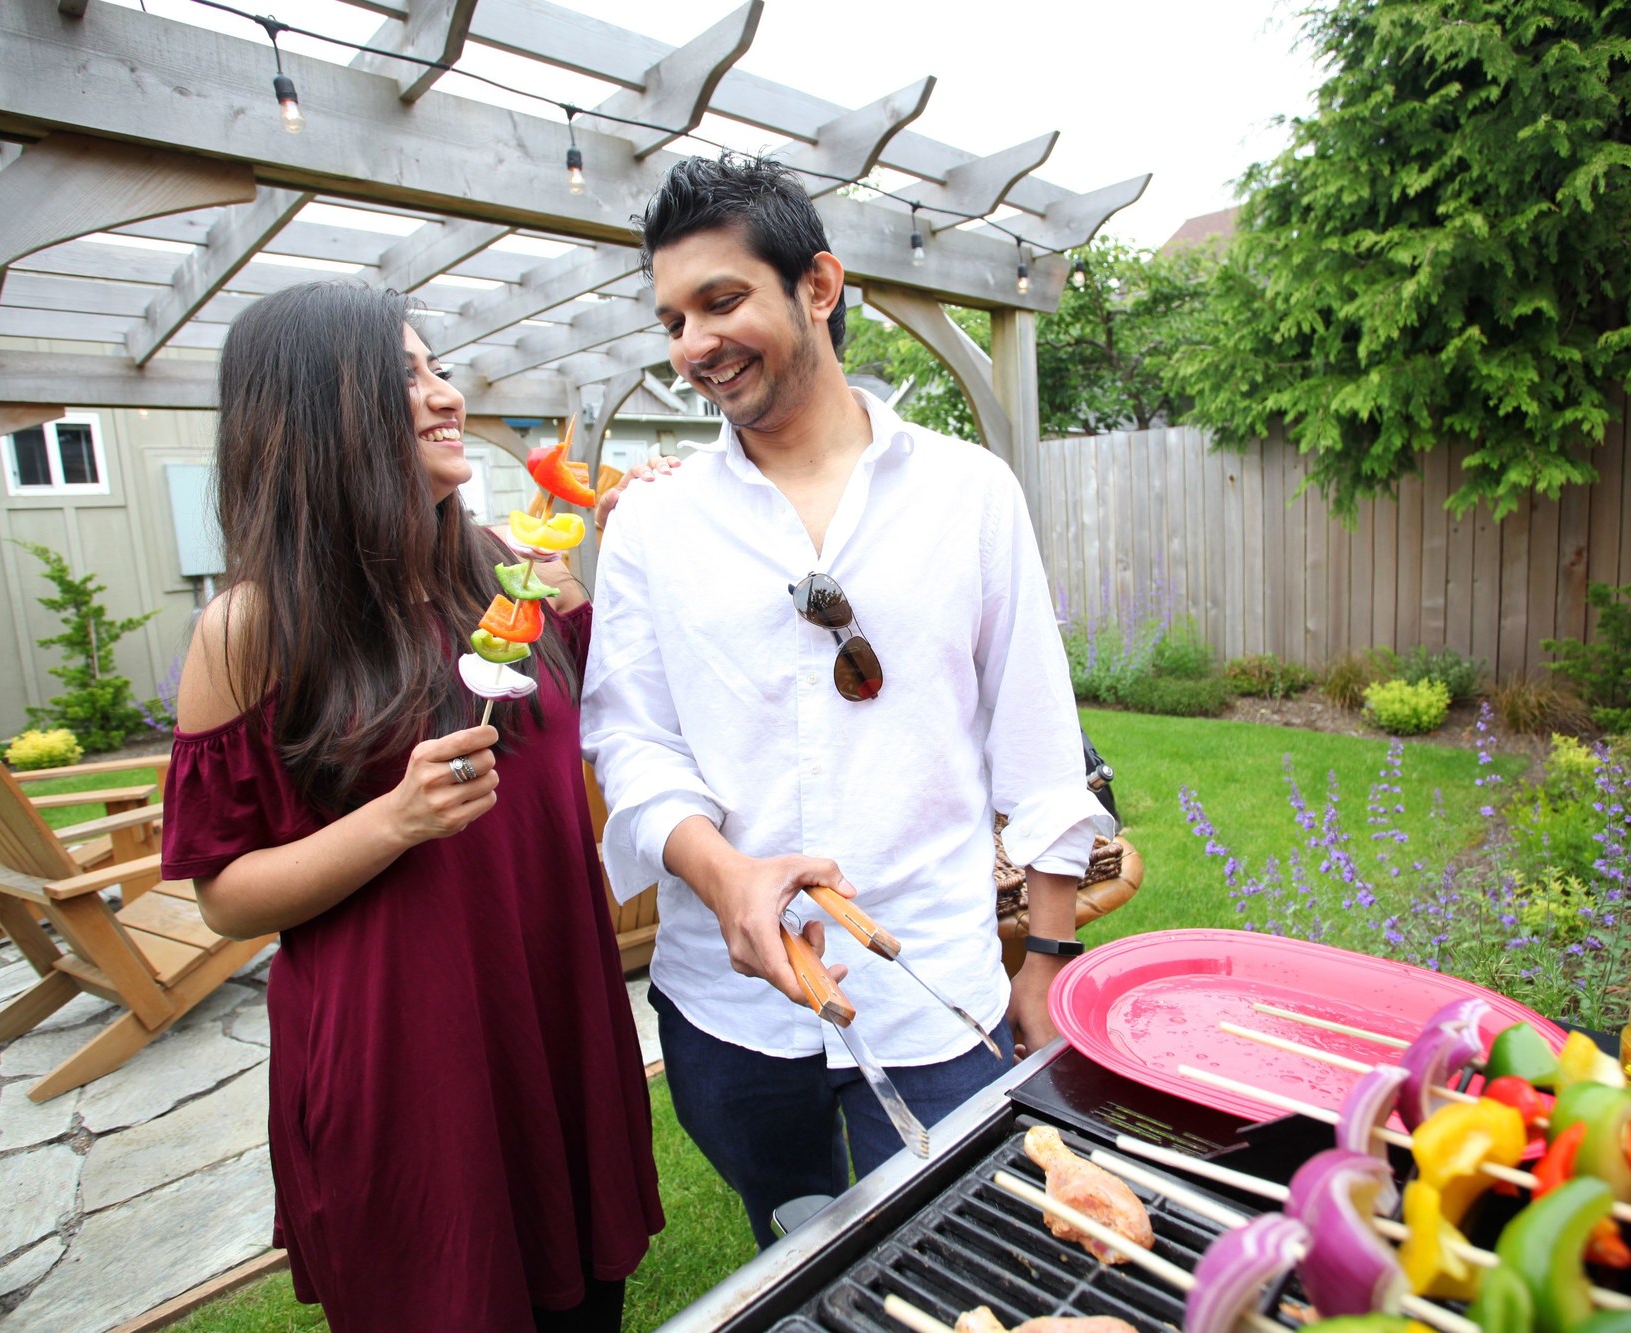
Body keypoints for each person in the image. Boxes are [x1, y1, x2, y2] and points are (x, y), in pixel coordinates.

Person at [581, 153, 1110, 1247]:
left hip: (932, 991)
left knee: (961, 1257)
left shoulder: (969, 493)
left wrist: (1047, 960)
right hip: (727, 1014)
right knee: (794, 1244)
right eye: (672, 318)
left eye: (720, 300)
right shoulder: (650, 526)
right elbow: (628, 740)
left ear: (816, 286)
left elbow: (1039, 745)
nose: (691, 347)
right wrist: (720, 875)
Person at [163, 281, 662, 1332]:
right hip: (407, 1052)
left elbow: (632, 701)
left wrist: (644, 539)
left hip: (548, 1003)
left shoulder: (503, 574)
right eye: (405, 379)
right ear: (315, 415)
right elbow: (225, 898)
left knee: (584, 1305)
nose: (444, 396)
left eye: (437, 368)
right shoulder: (248, 630)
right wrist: (392, 820)